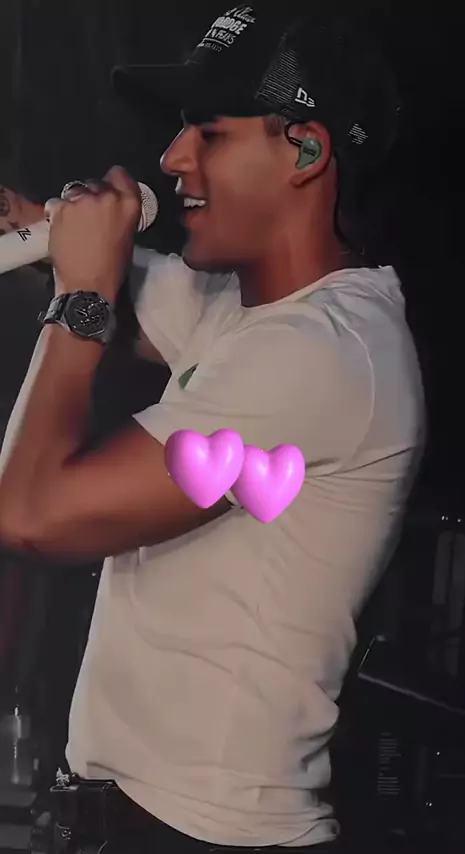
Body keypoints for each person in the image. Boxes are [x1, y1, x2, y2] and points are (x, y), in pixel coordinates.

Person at [0, 3, 425, 852]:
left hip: (208, 835)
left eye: (210, 132)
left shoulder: (323, 356)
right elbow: (85, 267)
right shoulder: (247, 310)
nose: (171, 159)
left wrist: (81, 294)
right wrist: (42, 230)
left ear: (307, 152)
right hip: (142, 819)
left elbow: (31, 512)